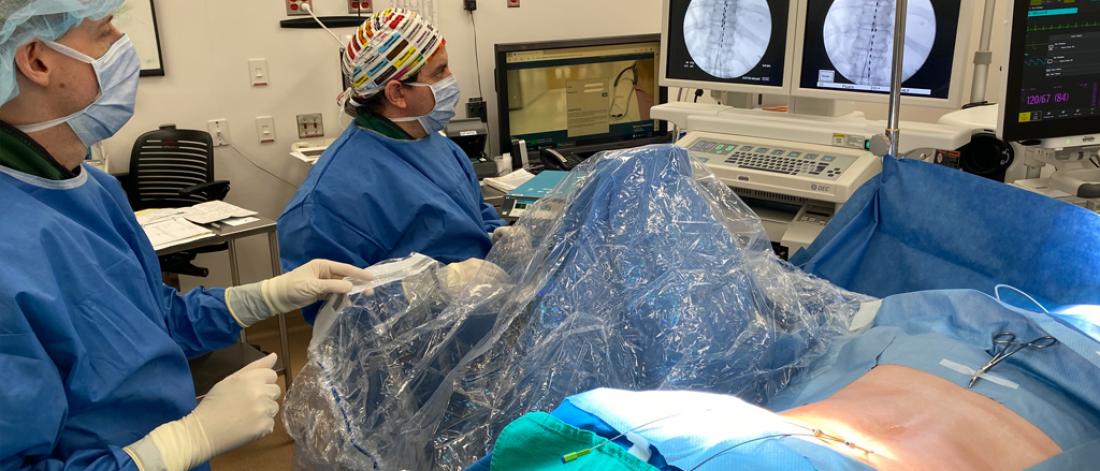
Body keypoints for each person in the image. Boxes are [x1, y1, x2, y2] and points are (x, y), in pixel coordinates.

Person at [0, 1, 370, 469]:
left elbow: (153, 319)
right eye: (101, 29)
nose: (121, 41)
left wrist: (265, 295)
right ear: (36, 60)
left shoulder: (91, 188)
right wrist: (182, 442)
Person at [277, 8, 508, 323]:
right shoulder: (327, 202)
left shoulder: (437, 145)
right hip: (413, 361)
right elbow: (336, 320)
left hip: (480, 328)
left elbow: (475, 218)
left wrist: (500, 238)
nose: (452, 80)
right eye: (440, 72)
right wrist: (434, 289)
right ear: (397, 92)